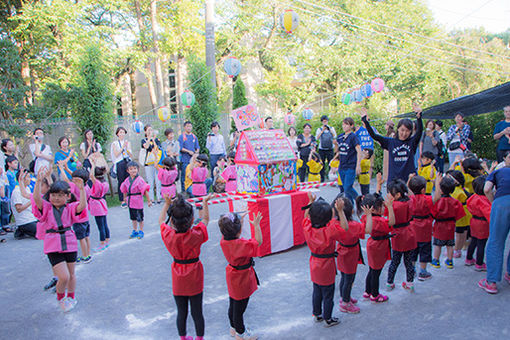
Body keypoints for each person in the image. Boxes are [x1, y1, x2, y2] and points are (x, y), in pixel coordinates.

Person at [31, 166, 88, 312]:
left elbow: (82, 206)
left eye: (60, 195)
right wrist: (38, 182)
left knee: (72, 275)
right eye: (54, 195)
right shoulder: (47, 207)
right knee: (63, 277)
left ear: (67, 196)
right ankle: (61, 298)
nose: (56, 198)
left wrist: (81, 190)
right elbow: (37, 198)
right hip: (53, 244)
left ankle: (71, 296)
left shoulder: (70, 207)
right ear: (50, 196)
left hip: (69, 243)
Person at [160, 194, 212, 340]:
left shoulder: (169, 235)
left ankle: (183, 338)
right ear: (190, 221)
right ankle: (199, 338)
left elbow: (160, 221)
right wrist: (204, 202)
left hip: (178, 276)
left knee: (181, 312)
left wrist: (166, 204)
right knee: (197, 312)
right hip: (194, 276)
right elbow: (206, 220)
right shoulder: (196, 234)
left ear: (172, 220)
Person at [219, 210, 263, 339]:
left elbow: (231, 232)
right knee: (239, 309)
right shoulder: (243, 244)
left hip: (232, 275)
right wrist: (256, 225)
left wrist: (240, 222)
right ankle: (241, 333)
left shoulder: (224, 241)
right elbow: (258, 241)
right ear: (238, 230)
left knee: (233, 303)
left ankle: (233, 328)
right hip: (242, 277)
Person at [302, 194, 343, 327]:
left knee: (317, 291)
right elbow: (343, 227)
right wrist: (340, 211)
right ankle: (328, 318)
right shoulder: (330, 230)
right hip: (327, 266)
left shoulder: (308, 228)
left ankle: (317, 314)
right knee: (328, 294)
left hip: (314, 264)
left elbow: (305, 217)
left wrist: (310, 202)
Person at [361, 105, 423, 183]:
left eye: (407, 131)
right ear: (398, 129)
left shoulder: (412, 142)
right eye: (402, 130)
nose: (404, 133)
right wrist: (365, 121)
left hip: (409, 180)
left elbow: (419, 132)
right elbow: (374, 136)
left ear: (411, 131)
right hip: (394, 181)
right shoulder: (390, 142)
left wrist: (419, 117)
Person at [479, 150, 510, 294]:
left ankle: (491, 282)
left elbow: (486, 189)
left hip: (501, 204)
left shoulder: (498, 172)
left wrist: (494, 202)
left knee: (496, 242)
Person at [358, 176, 391, 303]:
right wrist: (391, 208)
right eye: (382, 206)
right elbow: (391, 223)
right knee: (376, 271)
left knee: (372, 269)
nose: (384, 208)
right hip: (379, 246)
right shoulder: (378, 221)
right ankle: (375, 294)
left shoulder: (367, 218)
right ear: (375, 209)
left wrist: (378, 184)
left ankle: (367, 291)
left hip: (373, 244)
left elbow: (376, 197)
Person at [332, 194, 364, 314]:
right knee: (349, 279)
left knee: (344, 277)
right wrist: (368, 214)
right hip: (351, 254)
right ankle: (345, 303)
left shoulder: (335, 223)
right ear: (352, 211)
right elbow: (367, 230)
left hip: (341, 251)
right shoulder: (355, 225)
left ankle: (344, 298)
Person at [385, 179, 417, 292]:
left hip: (398, 234)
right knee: (408, 262)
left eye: (390, 192)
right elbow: (412, 196)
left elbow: (387, 216)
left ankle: (390, 282)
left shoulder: (393, 205)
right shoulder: (409, 201)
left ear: (397, 194)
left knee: (395, 261)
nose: (388, 194)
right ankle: (410, 282)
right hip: (409, 232)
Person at [430, 174, 465, 269]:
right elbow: (460, 214)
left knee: (438, 244)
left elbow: (433, 214)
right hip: (450, 226)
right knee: (450, 245)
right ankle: (450, 261)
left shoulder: (438, 201)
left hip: (439, 226)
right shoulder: (455, 202)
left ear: (440, 190)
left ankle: (436, 260)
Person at [59, 168, 92, 264]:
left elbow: (66, 180)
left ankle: (85, 256)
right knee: (86, 236)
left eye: (75, 179)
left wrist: (61, 168)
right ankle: (88, 254)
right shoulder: (87, 187)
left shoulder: (76, 187)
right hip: (85, 215)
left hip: (78, 216)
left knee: (81, 238)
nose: (72, 180)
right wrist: (66, 167)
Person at [408, 175, 434, 280]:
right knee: (425, 250)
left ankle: (412, 269)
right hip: (425, 229)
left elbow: (408, 191)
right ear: (423, 190)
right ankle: (423, 272)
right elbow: (436, 198)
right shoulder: (427, 199)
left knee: (413, 250)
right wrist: (437, 183)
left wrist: (409, 180)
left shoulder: (410, 199)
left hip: (413, 227)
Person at [120, 161, 152, 239]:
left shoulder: (140, 180)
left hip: (138, 201)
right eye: (131, 169)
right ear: (127, 171)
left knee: (140, 217)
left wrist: (149, 201)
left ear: (138, 169)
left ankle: (141, 230)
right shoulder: (127, 180)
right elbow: (124, 190)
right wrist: (124, 199)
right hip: (130, 201)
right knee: (133, 217)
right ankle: (134, 230)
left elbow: (145, 191)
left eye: (135, 168)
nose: (133, 170)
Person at [465, 176, 491, 271]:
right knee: (481, 243)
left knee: (474, 241)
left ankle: (469, 258)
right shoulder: (484, 200)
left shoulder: (473, 197)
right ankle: (479, 263)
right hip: (482, 223)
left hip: (474, 221)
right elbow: (489, 213)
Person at [335, 117, 362, 203]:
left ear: (351, 125)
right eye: (343, 124)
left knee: (348, 187)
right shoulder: (340, 137)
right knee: (345, 189)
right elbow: (337, 151)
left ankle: (360, 201)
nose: (344, 126)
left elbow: (359, 151)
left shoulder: (353, 137)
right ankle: (350, 206)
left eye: (346, 124)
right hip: (342, 165)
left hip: (351, 165)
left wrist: (358, 165)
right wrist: (335, 144)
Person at [446, 170, 471, 259]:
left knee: (458, 233)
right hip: (466, 213)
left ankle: (456, 250)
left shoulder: (455, 192)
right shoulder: (463, 189)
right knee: (464, 231)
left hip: (459, 214)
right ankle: (459, 249)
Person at [89, 163, 110, 252]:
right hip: (102, 202)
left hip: (97, 205)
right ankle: (107, 240)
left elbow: (90, 176)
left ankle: (102, 243)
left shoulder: (97, 183)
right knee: (104, 224)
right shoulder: (105, 183)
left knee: (100, 226)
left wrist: (92, 165)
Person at [10, 170, 37, 239]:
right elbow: (19, 209)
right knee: (41, 233)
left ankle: (21, 231)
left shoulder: (27, 189)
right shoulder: (16, 191)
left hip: (32, 218)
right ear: (22, 179)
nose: (30, 179)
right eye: (28, 177)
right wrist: (32, 200)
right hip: (25, 221)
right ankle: (22, 229)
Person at [110, 127, 133, 207]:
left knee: (129, 180)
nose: (122, 134)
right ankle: (122, 200)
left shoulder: (127, 142)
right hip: (120, 163)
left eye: (123, 132)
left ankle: (129, 197)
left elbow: (130, 155)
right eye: (120, 132)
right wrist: (122, 147)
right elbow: (116, 154)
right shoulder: (114, 143)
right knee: (121, 181)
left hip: (127, 162)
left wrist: (127, 148)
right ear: (117, 134)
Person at [140, 125, 162, 204]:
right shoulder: (143, 140)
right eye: (148, 130)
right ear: (145, 131)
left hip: (156, 162)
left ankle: (159, 197)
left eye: (151, 130)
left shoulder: (156, 139)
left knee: (158, 180)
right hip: (148, 163)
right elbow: (146, 147)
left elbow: (158, 148)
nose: (150, 132)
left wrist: (154, 140)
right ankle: (151, 198)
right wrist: (149, 139)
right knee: (150, 181)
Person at [178, 121, 200, 192]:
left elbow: (197, 147)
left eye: (190, 126)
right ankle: (184, 191)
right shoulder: (181, 137)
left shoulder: (194, 136)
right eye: (187, 126)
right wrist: (188, 151)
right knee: (184, 176)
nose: (189, 128)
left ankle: (193, 191)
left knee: (193, 175)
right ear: (184, 127)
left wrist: (196, 153)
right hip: (185, 160)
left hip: (193, 161)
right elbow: (180, 148)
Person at [315, 115, 336, 182]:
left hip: (330, 148)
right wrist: (322, 131)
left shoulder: (331, 128)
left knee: (331, 163)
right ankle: (322, 177)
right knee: (322, 163)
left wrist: (329, 130)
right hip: (322, 149)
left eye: (326, 121)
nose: (325, 123)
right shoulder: (319, 129)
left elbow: (335, 136)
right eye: (323, 121)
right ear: (322, 122)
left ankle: (331, 177)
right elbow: (317, 138)